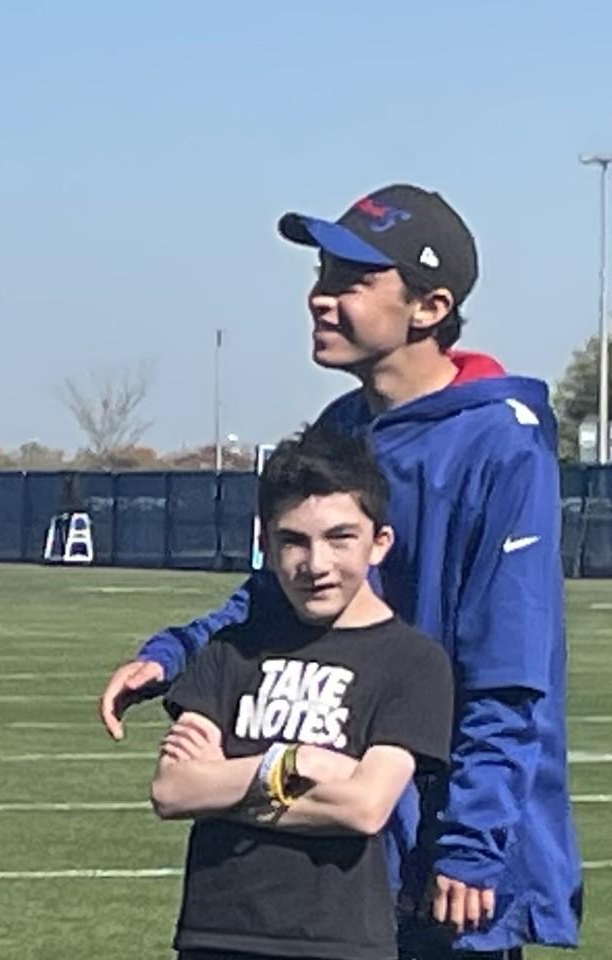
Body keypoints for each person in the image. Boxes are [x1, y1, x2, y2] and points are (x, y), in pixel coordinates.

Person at [101, 184, 581, 957]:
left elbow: (510, 672)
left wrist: (470, 844)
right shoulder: (341, 427)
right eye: (321, 275)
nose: (319, 299)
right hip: (340, 841)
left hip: (444, 842)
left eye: (350, 281)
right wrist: (175, 653)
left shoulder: (503, 444)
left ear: (429, 308)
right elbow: (271, 596)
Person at [152, 424, 454, 960]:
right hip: (216, 934)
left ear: (379, 542)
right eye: (293, 540)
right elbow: (174, 791)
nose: (315, 564)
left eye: (340, 538)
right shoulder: (231, 650)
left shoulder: (414, 662)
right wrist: (301, 762)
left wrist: (226, 785)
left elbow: (364, 807)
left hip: (339, 940)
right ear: (265, 545)